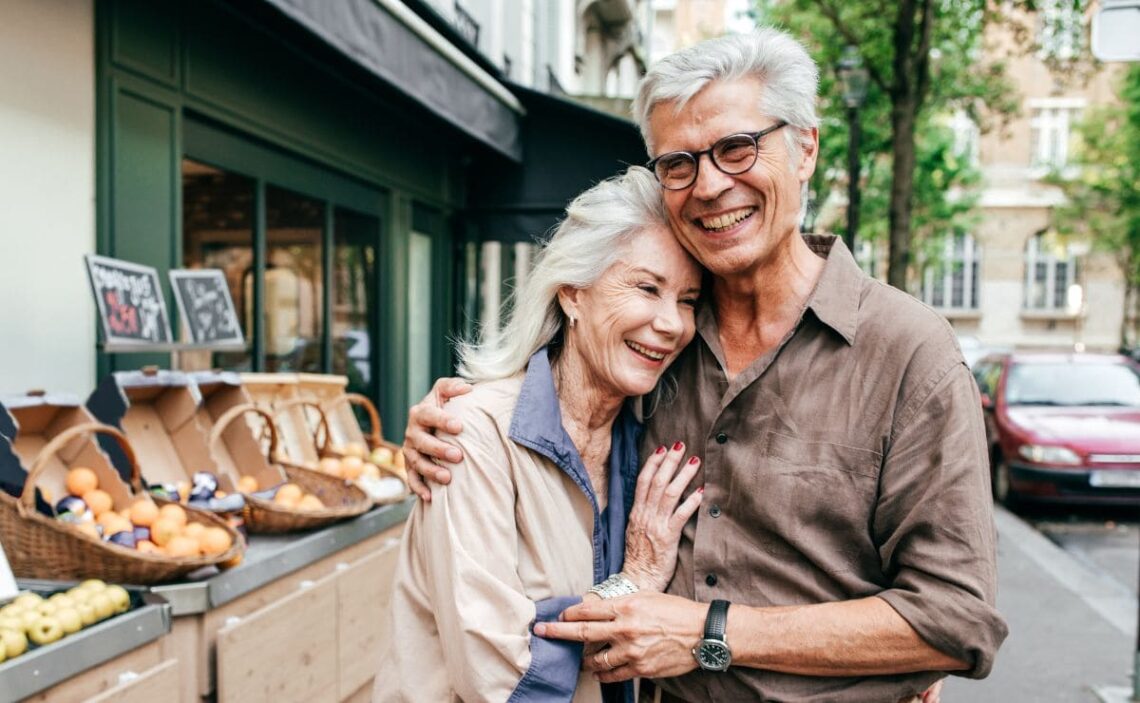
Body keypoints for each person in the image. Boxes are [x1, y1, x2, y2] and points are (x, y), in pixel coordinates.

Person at [401, 27, 1008, 703]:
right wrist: (453, 421)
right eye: (679, 163)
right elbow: (556, 404)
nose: (711, 184)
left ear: (805, 147)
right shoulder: (661, 350)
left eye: (737, 148)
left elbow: (955, 620)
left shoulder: (908, 352)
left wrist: (708, 631)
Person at [373, 168, 707, 703]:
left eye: (688, 300)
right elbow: (501, 674)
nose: (672, 323)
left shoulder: (644, 439)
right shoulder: (472, 435)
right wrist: (637, 584)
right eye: (648, 287)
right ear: (573, 294)